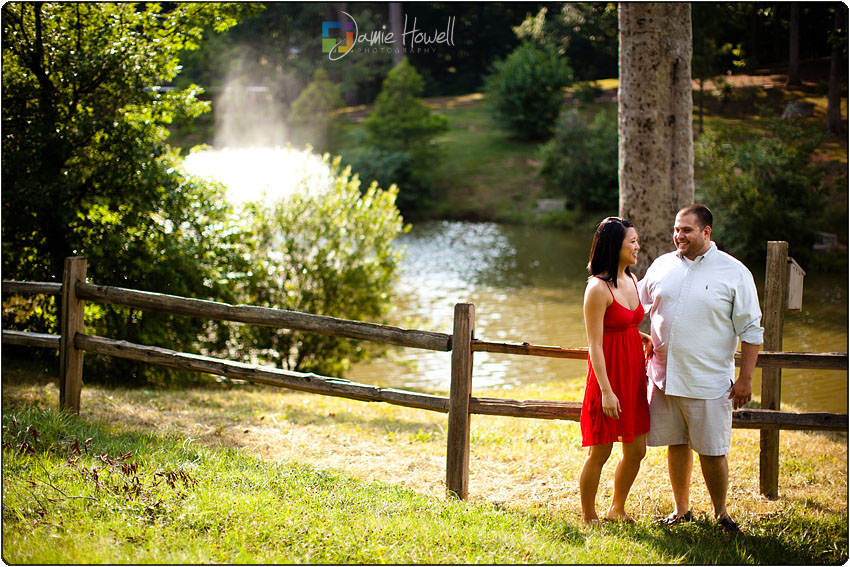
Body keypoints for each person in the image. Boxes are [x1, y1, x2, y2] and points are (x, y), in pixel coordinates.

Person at [638, 204, 763, 535]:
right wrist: (639, 335)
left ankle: (721, 515)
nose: (679, 235)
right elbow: (635, 306)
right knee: (676, 443)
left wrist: (746, 379)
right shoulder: (662, 265)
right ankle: (681, 510)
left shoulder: (735, 273)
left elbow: (751, 331)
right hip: (664, 379)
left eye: (687, 230)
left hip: (707, 380)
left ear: (706, 232)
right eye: (677, 229)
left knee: (712, 450)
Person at [579, 216, 652, 524]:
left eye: (636, 241)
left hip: (633, 376)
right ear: (614, 246)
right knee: (600, 453)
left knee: (637, 450)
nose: (638, 246)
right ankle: (589, 515)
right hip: (607, 379)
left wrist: (638, 335)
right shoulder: (597, 289)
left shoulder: (632, 280)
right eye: (631, 242)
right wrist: (606, 392)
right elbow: (595, 344)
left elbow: (623, 323)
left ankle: (617, 508)